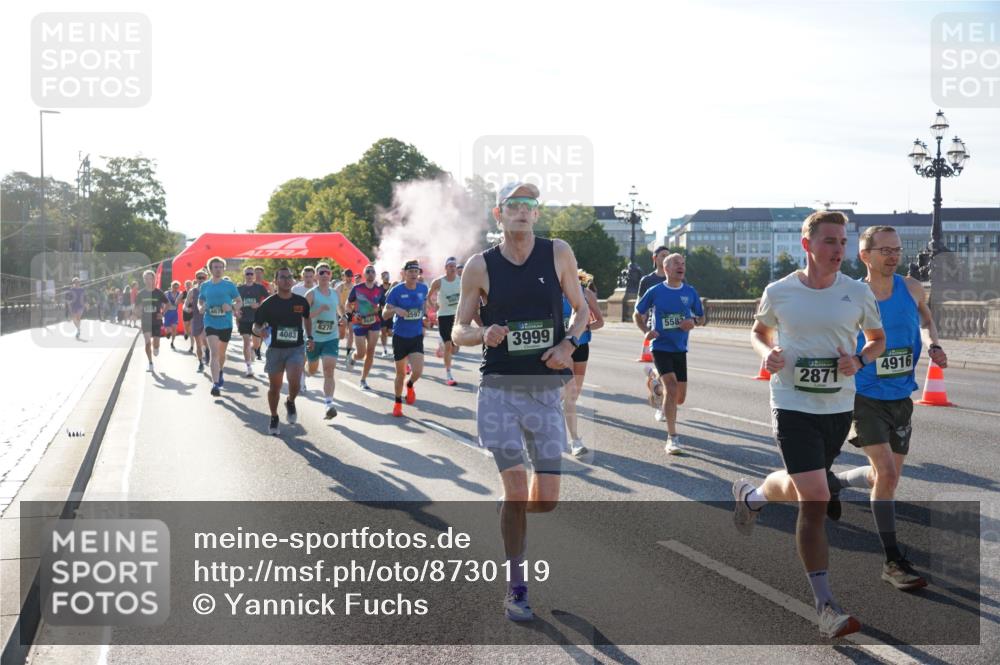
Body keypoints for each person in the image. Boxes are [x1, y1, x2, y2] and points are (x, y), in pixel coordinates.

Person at [732, 210, 885, 639]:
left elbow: (877, 340)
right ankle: (825, 607)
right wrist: (767, 353)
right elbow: (759, 331)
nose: (838, 249)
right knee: (815, 496)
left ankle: (753, 497)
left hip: (837, 406)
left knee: (807, 486)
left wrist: (860, 360)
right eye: (829, 241)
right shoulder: (779, 291)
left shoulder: (857, 292)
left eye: (842, 241)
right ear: (807, 245)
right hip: (791, 402)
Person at [451, 181, 588, 622]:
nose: (522, 211)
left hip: (545, 391)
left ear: (537, 214)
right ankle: (516, 588)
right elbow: (458, 330)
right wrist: (481, 333)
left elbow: (582, 310)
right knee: (515, 487)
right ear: (499, 214)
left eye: (529, 205)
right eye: (514, 205)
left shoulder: (558, 252)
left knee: (544, 500)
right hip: (499, 391)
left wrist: (568, 344)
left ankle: (510, 511)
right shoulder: (480, 265)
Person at [827, 225, 948, 591]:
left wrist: (933, 344)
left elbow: (926, 320)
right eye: (885, 250)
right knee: (887, 475)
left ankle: (835, 482)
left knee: (885, 477)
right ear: (865, 255)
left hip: (901, 395)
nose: (894, 256)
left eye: (897, 249)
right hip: (864, 394)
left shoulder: (911, 288)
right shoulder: (850, 294)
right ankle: (892, 561)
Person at [633, 253, 705, 454]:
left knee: (679, 398)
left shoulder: (690, 292)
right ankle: (672, 438)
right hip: (660, 346)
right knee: (671, 389)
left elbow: (702, 317)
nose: (681, 266)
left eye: (683, 263)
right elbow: (637, 314)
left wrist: (694, 322)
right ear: (666, 268)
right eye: (676, 263)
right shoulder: (655, 291)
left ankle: (655, 381)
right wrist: (646, 331)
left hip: (679, 348)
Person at [253, 267, 312, 434]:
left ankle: (290, 401)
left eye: (289, 277)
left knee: (295, 382)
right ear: (276, 281)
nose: (287, 280)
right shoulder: (268, 304)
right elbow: (256, 326)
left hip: (296, 348)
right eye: (283, 277)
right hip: (276, 350)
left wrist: (310, 337)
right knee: (275, 387)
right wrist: (259, 331)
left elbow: (307, 318)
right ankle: (274, 416)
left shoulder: (301, 301)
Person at [562, 270, 604, 458]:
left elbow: (600, 322)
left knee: (573, 394)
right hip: (561, 348)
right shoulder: (551, 293)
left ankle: (559, 410)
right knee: (570, 391)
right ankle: (575, 440)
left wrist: (585, 326)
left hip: (581, 346)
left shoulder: (586, 294)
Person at [382, 260, 430, 417]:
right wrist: (395, 309)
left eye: (416, 271)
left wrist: (425, 317)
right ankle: (397, 403)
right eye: (411, 271)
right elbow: (384, 314)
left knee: (418, 371)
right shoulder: (396, 291)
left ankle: (410, 385)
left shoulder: (423, 288)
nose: (414, 274)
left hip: (416, 336)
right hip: (400, 337)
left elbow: (423, 306)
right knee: (400, 374)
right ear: (404, 273)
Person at [198, 257, 242, 396]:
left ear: (223, 269)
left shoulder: (229, 285)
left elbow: (239, 302)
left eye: (220, 267)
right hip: (210, 322)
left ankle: (220, 370)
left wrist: (231, 307)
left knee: (221, 354)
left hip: (226, 323)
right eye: (215, 267)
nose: (218, 269)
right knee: (214, 353)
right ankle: (215, 384)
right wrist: (201, 307)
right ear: (210, 270)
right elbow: (200, 300)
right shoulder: (205, 286)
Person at [306, 263, 342, 418]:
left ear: (330, 275)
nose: (325, 275)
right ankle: (305, 371)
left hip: (331, 337)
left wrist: (343, 317)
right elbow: (303, 316)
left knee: (329, 370)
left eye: (327, 272)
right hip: (314, 338)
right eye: (321, 273)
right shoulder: (311, 294)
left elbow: (339, 308)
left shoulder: (335, 293)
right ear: (316, 276)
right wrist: (319, 310)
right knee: (312, 370)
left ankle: (328, 404)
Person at [346, 264, 386, 390]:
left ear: (375, 274)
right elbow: (348, 305)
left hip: (374, 322)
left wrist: (381, 309)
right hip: (359, 323)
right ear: (364, 274)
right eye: (368, 271)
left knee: (370, 351)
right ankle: (353, 356)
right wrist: (353, 314)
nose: (370, 273)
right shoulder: (357, 288)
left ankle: (363, 380)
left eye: (372, 271)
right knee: (361, 353)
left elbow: (384, 305)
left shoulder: (379, 290)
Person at [428, 257, 462, 386]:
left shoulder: (461, 281)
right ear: (446, 268)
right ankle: (449, 374)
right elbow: (428, 296)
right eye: (450, 266)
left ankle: (441, 344)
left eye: (454, 266)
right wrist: (433, 307)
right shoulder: (438, 282)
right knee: (448, 346)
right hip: (443, 316)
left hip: (457, 316)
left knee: (455, 349)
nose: (453, 268)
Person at [236, 267, 268, 376]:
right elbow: (232, 301)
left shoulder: (259, 288)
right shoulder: (239, 289)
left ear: (254, 275)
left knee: (256, 344)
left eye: (251, 274)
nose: (249, 276)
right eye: (247, 274)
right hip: (244, 319)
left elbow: (269, 299)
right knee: (246, 341)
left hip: (256, 320)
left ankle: (253, 349)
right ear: (244, 275)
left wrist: (259, 305)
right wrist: (236, 311)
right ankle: (249, 367)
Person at [136, 270, 167, 372]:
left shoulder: (159, 292)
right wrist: (138, 313)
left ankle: (156, 347)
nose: (148, 280)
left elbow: (168, 304)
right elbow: (137, 307)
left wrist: (162, 313)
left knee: (156, 344)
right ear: (144, 280)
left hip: (156, 321)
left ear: (154, 279)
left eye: (150, 278)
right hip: (145, 321)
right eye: (146, 278)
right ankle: (150, 363)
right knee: (147, 342)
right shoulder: (141, 293)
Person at [336, 269, 355, 364]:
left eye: (350, 276)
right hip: (341, 312)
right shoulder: (340, 287)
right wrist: (341, 313)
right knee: (340, 334)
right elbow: (336, 301)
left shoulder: (355, 287)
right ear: (343, 276)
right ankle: (335, 347)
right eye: (347, 276)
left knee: (351, 332)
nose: (349, 278)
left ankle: (348, 354)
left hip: (351, 311)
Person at [163, 281, 182, 349]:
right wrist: (163, 309)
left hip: (174, 313)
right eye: (174, 287)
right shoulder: (166, 293)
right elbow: (162, 301)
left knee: (174, 328)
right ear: (171, 287)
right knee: (168, 328)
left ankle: (172, 342)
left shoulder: (179, 294)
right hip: (167, 312)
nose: (176, 289)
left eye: (177, 287)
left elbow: (183, 301)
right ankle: (168, 333)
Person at [379, 270, 393, 357]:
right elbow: (376, 299)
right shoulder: (379, 288)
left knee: (390, 332)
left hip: (391, 312)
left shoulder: (392, 286)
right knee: (383, 331)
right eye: (384, 276)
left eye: (387, 276)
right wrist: (378, 305)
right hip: (382, 313)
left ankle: (394, 347)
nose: (386, 278)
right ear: (381, 278)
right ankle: (385, 350)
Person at [181, 280, 194, 349]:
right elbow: (177, 301)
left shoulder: (194, 292)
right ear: (185, 286)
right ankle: (186, 332)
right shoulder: (183, 293)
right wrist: (182, 301)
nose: (188, 286)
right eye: (187, 285)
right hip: (185, 312)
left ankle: (192, 346)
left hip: (193, 312)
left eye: (189, 285)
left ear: (192, 285)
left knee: (191, 329)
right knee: (186, 326)